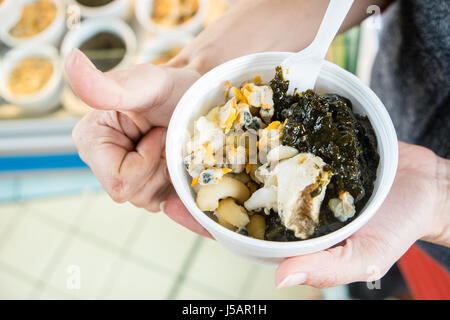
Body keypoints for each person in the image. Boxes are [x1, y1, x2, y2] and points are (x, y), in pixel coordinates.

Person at [65, 0, 449, 289]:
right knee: (371, 282)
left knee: (407, 283)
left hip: (439, 246)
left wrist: (439, 201)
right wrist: (200, 70)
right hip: (393, 120)